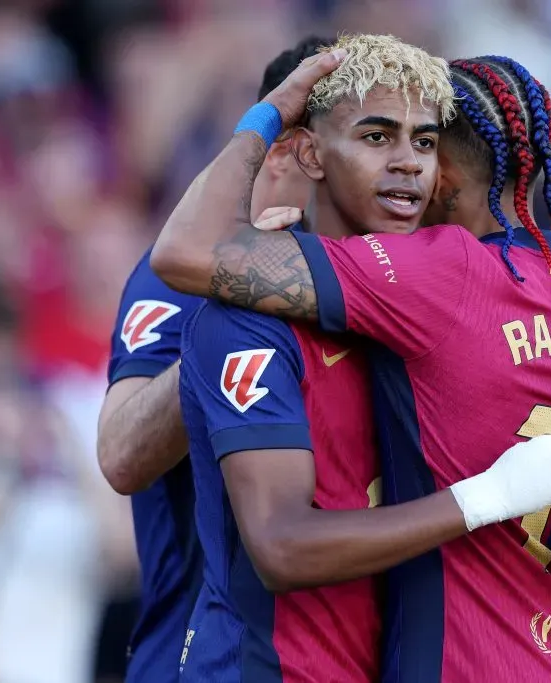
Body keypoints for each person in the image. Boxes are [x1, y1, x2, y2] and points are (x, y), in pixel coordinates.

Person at [152, 39, 551, 681]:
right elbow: (136, 463)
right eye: (379, 136)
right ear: (312, 152)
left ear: (448, 173)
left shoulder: (443, 282)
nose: (409, 165)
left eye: (424, 142)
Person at [96, 36, 336, 683]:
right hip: (195, 656)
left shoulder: (378, 282)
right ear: (293, 151)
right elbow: (121, 453)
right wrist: (241, 301)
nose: (398, 167)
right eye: (369, 140)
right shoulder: (177, 272)